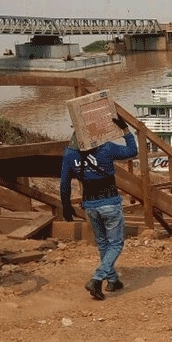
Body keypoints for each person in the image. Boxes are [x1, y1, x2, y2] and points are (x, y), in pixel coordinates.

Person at [60, 115, 137, 301]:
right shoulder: (106, 148)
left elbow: (64, 183)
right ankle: (97, 278)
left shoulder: (70, 154)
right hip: (109, 202)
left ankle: (113, 280)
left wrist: (66, 205)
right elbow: (132, 151)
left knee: (103, 243)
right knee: (116, 243)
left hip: (90, 206)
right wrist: (125, 130)